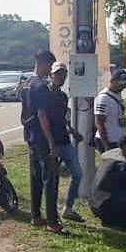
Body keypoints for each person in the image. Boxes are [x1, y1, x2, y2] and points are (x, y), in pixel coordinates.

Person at [21, 50, 67, 234]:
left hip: (31, 136)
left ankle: (36, 215)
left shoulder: (26, 83)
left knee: (36, 177)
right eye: (49, 66)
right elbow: (42, 115)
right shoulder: (40, 86)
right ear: (43, 63)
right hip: (42, 137)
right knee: (50, 179)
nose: (50, 71)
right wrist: (51, 142)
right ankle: (52, 221)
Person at [50, 62, 83, 221]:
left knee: (78, 173)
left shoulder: (63, 96)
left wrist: (72, 130)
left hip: (65, 140)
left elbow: (63, 118)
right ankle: (51, 211)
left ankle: (68, 208)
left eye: (63, 74)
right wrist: (50, 143)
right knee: (52, 178)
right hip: (52, 143)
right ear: (51, 76)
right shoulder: (46, 95)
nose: (60, 77)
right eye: (57, 74)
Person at [94, 69, 126, 152]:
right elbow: (99, 123)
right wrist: (106, 145)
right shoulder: (103, 98)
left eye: (124, 83)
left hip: (119, 140)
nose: (123, 86)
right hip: (109, 141)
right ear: (112, 81)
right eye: (120, 83)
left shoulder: (117, 95)